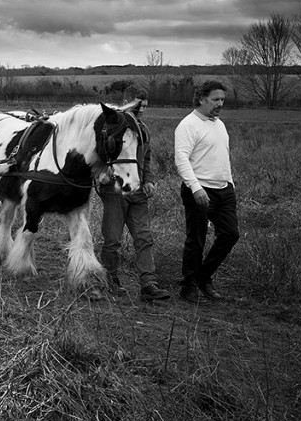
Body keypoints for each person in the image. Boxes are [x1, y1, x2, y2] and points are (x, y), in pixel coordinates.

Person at [98, 87, 170, 302]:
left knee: (144, 237)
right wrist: (102, 173)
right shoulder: (108, 126)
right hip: (115, 190)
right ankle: (110, 279)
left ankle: (149, 284)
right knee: (112, 239)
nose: (142, 110)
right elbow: (97, 156)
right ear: (126, 101)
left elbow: (145, 159)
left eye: (146, 106)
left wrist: (149, 180)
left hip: (138, 191)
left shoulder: (142, 129)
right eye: (139, 105)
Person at [174, 80, 240, 302]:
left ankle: (203, 277)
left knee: (231, 235)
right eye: (215, 99)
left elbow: (224, 156)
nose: (220, 104)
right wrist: (196, 188)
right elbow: (181, 159)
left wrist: (230, 183)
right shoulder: (188, 125)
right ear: (202, 99)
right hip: (199, 191)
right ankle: (188, 286)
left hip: (224, 190)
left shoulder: (219, 124)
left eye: (222, 99)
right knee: (197, 240)